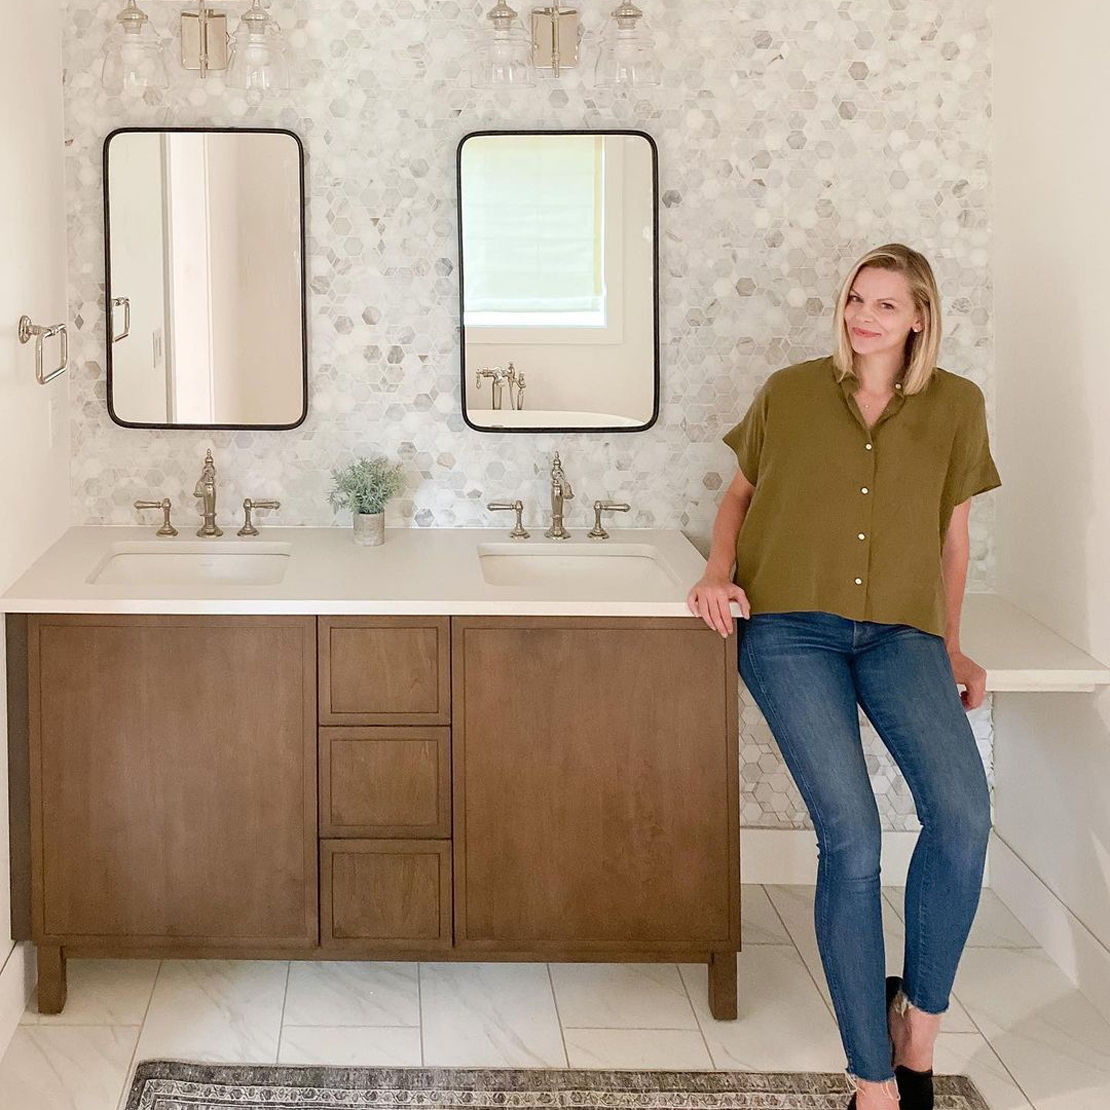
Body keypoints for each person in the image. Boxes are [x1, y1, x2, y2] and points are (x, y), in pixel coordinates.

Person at [687, 243, 1000, 1110]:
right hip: (790, 631)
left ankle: (918, 1032)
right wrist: (719, 569)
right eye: (857, 299)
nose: (863, 316)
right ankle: (873, 1082)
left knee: (965, 816)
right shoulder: (790, 392)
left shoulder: (958, 406)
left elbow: (953, 537)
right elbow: (740, 495)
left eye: (886, 305)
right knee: (853, 837)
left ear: (919, 320)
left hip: (902, 635)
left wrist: (952, 646)